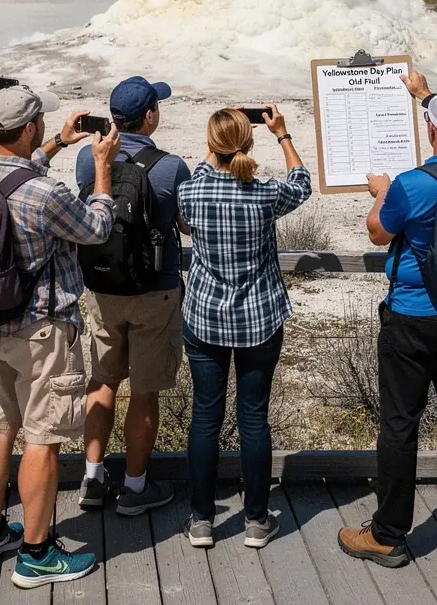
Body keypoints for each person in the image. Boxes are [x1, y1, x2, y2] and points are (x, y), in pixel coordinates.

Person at [338, 74, 437, 567]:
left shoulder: (411, 185)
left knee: (399, 424)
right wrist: (428, 96)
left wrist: (379, 191)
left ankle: (388, 534)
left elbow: (375, 232)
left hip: (412, 316)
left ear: (430, 131)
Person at [0, 85, 120, 588]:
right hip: (43, 329)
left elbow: (20, 167)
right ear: (28, 127)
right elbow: (96, 228)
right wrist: (102, 170)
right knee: (44, 437)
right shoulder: (45, 194)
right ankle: (36, 553)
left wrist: (56, 142)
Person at [177, 106, 311, 550]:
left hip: (206, 317)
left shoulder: (191, 192)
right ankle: (256, 520)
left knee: (205, 417)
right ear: (248, 142)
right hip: (258, 317)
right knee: (254, 416)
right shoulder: (264, 193)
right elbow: (302, 183)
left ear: (210, 144)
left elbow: (200, 176)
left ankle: (201, 520)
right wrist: (282, 135)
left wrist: (216, 152)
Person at [75, 76, 191, 515]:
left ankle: (92, 477)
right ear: (149, 116)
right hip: (155, 290)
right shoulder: (170, 165)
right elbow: (183, 225)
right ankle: (136, 488)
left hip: (103, 287)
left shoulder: (90, 161)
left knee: (102, 381)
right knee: (145, 391)